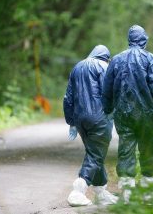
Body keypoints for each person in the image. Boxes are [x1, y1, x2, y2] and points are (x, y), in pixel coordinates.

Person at [102, 25, 153, 202]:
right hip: (148, 113)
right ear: (144, 39)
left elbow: (107, 89)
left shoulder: (116, 60)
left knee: (126, 150)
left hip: (123, 114)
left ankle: (127, 191)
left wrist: (107, 109)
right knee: (150, 148)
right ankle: (148, 190)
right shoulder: (150, 58)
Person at [63, 45, 118, 206]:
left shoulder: (77, 67)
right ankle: (77, 191)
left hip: (80, 119)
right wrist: (114, 113)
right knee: (96, 155)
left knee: (94, 153)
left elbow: (68, 97)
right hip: (99, 118)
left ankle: (100, 192)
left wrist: (71, 121)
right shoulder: (104, 67)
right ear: (106, 57)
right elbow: (109, 93)